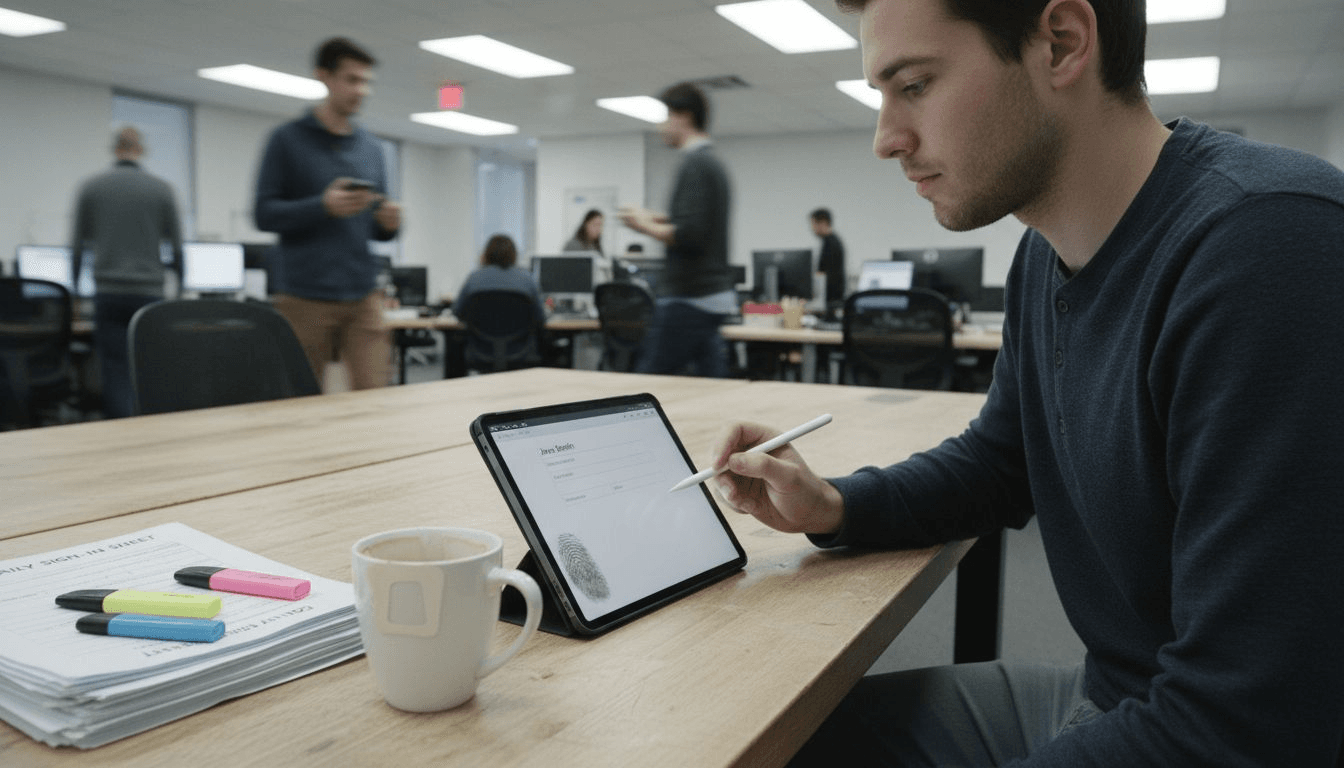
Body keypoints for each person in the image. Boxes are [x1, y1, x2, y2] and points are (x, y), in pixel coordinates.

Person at [710, 0, 1344, 765]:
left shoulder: (1270, 248)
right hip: (1116, 694)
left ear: (1061, 43)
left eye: (913, 85)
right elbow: (1002, 460)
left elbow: (1250, 724)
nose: (887, 138)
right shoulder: (1044, 255)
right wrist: (839, 505)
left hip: (1196, 727)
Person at [254, 36, 403, 392]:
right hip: (304, 295)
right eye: (352, 79)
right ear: (324, 76)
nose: (362, 90)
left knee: (375, 397)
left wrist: (389, 224)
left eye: (366, 82)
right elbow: (264, 214)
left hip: (362, 293)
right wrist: (322, 206)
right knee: (299, 402)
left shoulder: (372, 148)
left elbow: (375, 228)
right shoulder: (286, 140)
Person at [620, 82, 735, 378]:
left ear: (683, 117)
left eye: (665, 117)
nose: (661, 127)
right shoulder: (711, 164)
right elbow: (693, 221)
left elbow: (688, 234)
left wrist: (642, 225)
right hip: (710, 298)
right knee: (710, 386)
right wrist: (650, 216)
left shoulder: (694, 165)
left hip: (690, 298)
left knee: (649, 384)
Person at [69, 125, 183, 419]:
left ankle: (120, 434)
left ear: (115, 149)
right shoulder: (161, 189)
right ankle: (149, 430)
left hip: (108, 293)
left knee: (115, 370)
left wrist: (73, 298)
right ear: (141, 150)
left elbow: (77, 247)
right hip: (149, 293)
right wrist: (180, 291)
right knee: (149, 368)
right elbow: (178, 248)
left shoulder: (92, 188)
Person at [454, 234, 546, 370]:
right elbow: (540, 319)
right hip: (520, 351)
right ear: (514, 255)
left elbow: (458, 312)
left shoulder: (474, 279)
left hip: (480, 350)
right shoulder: (527, 280)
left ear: (486, 254)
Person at [809, 208, 845, 306]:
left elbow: (826, 274)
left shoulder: (831, 243)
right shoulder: (829, 241)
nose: (812, 228)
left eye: (813, 224)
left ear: (823, 223)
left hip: (831, 299)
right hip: (831, 298)